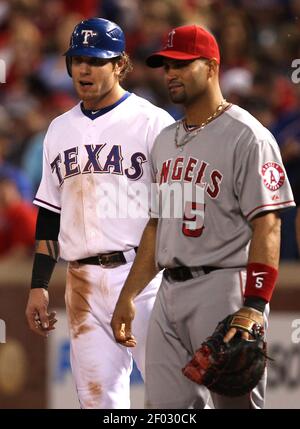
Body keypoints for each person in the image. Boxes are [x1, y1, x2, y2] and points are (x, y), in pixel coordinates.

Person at [111, 24, 295, 409]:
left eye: (181, 64)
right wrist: (129, 293)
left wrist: (255, 305)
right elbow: (158, 225)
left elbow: (268, 224)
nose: (171, 74)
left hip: (224, 286)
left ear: (211, 67)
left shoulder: (248, 136)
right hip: (169, 291)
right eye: (166, 66)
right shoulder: (165, 140)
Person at [25, 17, 174, 409]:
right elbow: (50, 214)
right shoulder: (58, 129)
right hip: (83, 281)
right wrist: (39, 283)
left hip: (145, 277)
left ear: (120, 64)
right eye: (77, 60)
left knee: (176, 398)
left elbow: (175, 207)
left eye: (96, 60)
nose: (84, 69)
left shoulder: (152, 121)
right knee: (98, 403)